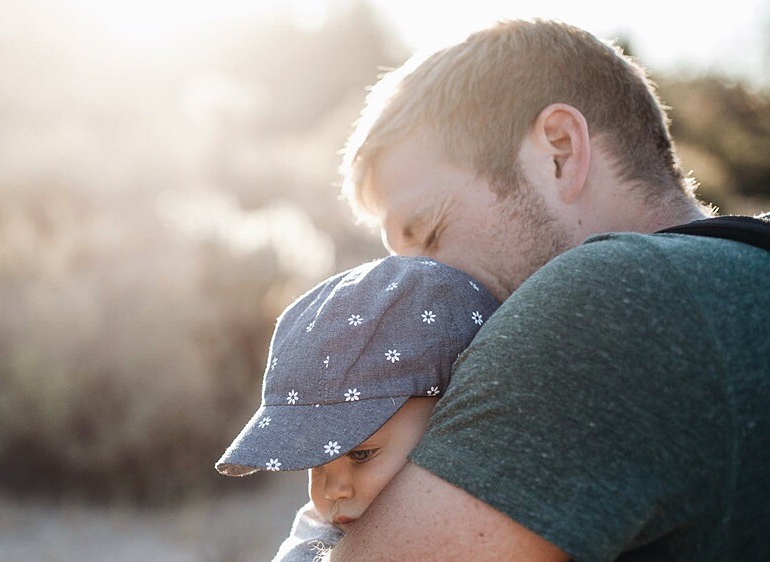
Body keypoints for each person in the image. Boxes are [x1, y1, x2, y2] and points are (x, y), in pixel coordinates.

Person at [324, 18, 770, 561]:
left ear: (559, 151)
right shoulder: (744, 273)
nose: (413, 290)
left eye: (431, 233)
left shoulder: (604, 301)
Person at [215, 255, 499, 561]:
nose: (332, 491)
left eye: (361, 454)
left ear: (451, 414)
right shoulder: (319, 538)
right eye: (317, 462)